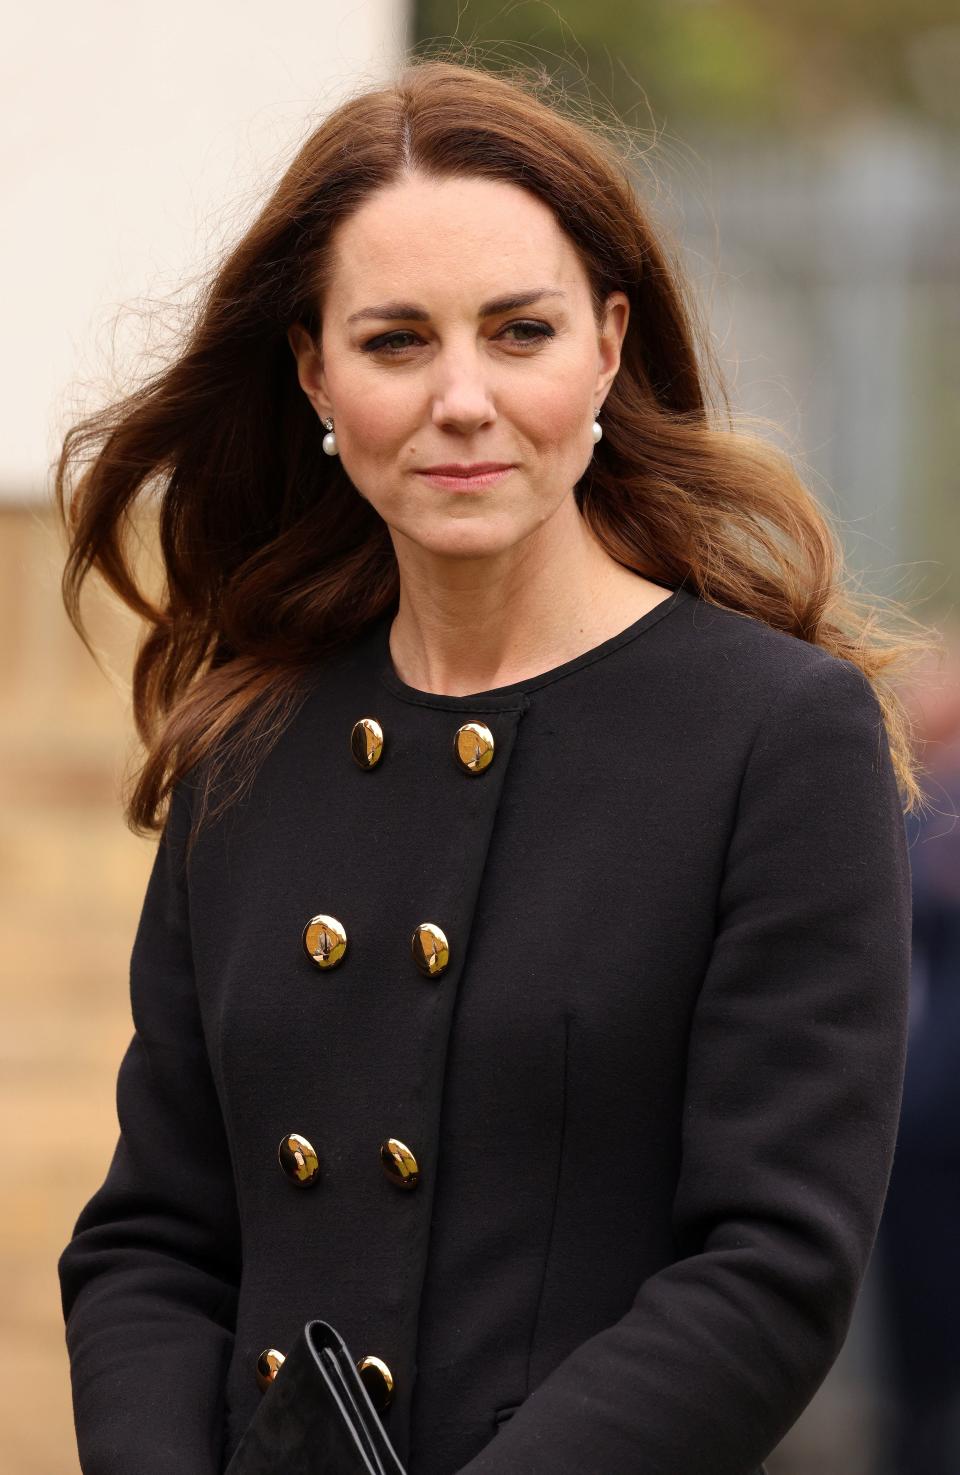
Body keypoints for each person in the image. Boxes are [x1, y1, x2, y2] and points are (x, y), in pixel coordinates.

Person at [53, 54, 930, 1475]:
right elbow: (155, 1238)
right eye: (397, 341)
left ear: (607, 344)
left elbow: (771, 1266)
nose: (463, 399)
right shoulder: (250, 743)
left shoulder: (777, 738)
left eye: (518, 332)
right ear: (313, 370)